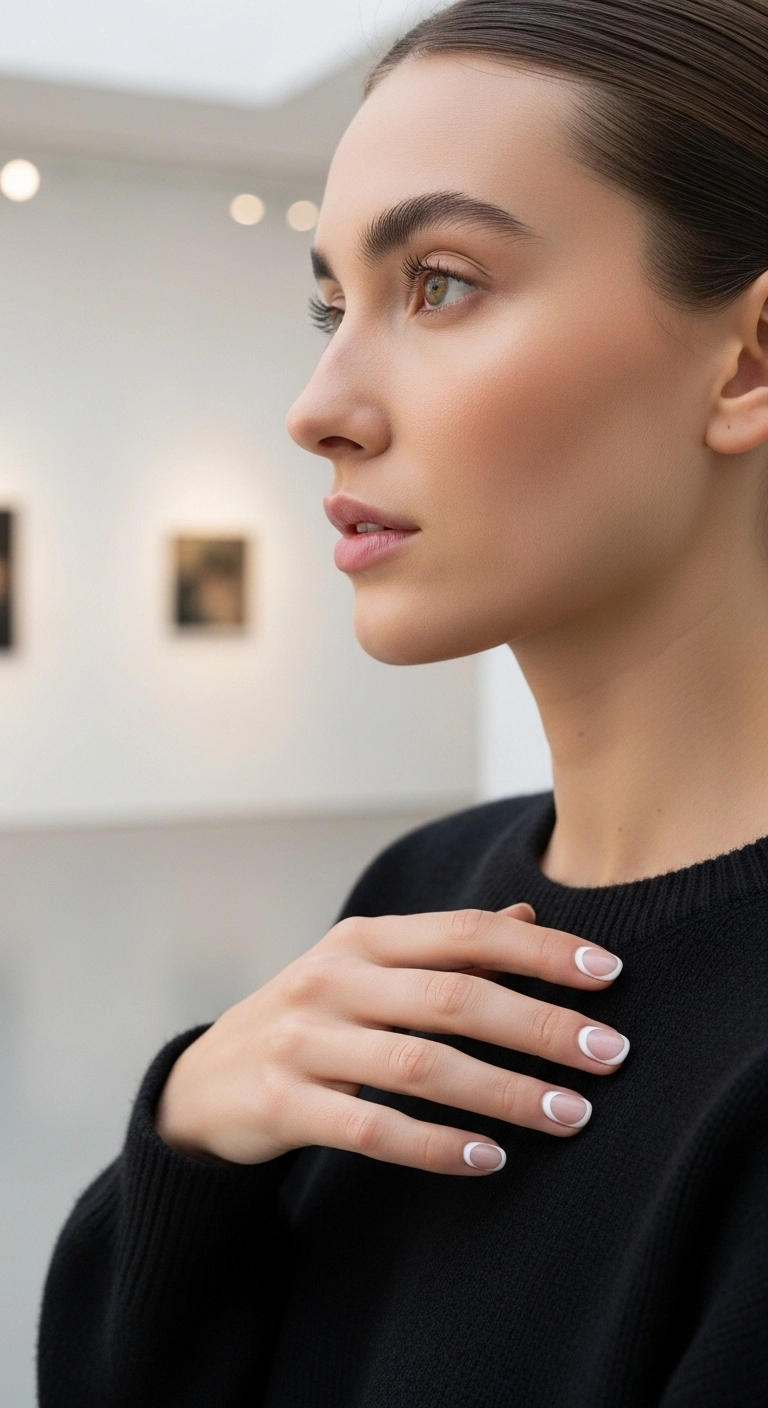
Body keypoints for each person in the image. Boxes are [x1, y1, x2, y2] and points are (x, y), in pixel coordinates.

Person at [38, 1, 768, 1403]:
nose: (319, 403)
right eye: (330, 303)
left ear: (747, 359)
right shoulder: (426, 889)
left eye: (437, 282)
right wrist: (190, 1146)